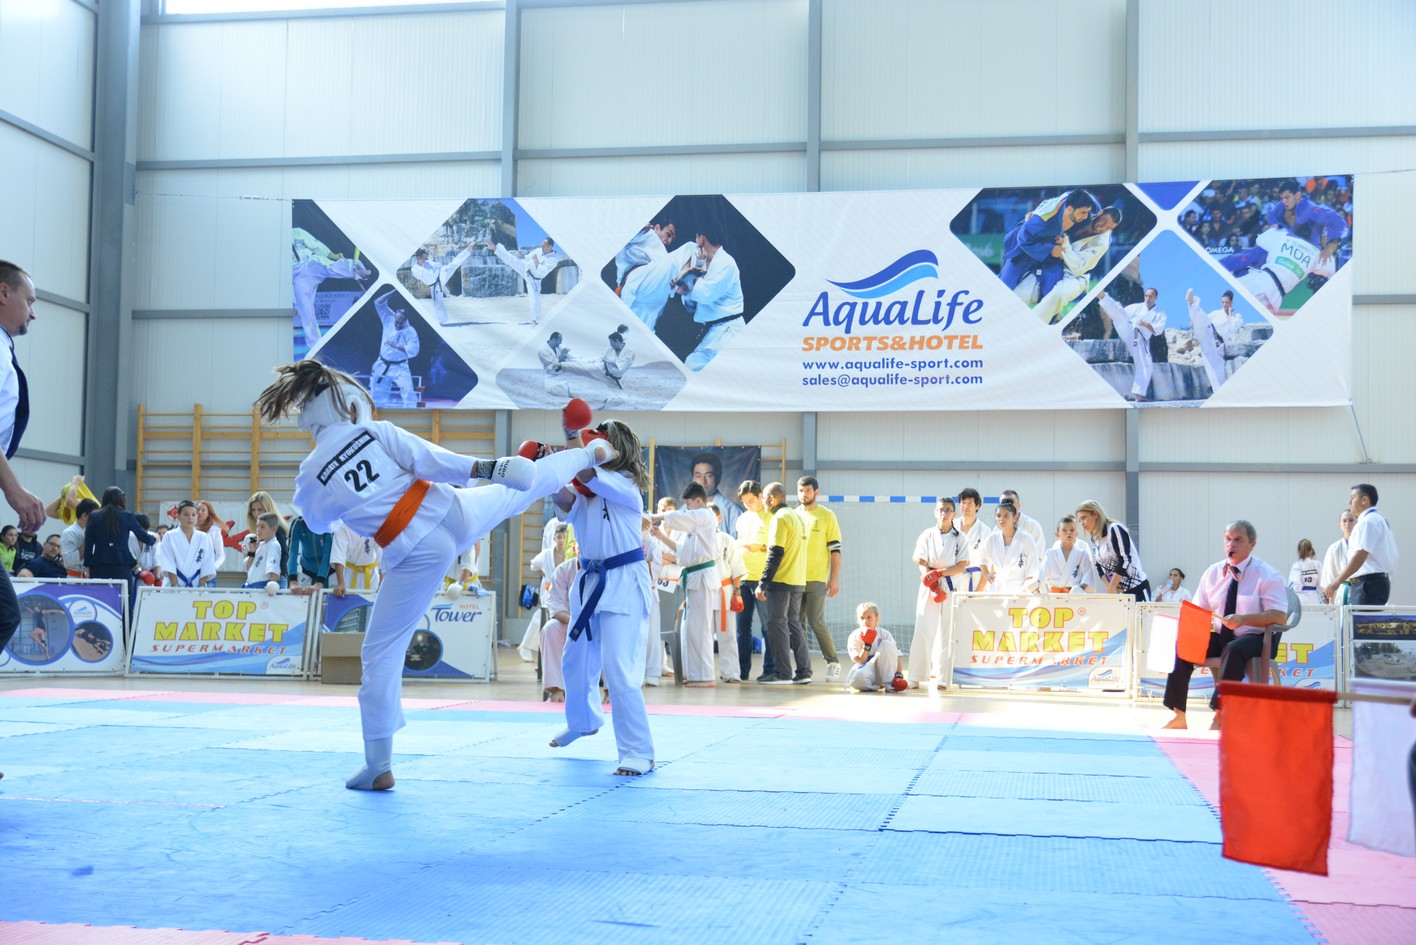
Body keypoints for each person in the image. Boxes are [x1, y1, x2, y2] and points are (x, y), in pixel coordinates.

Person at [255, 359, 616, 791]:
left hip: (414, 549)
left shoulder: (312, 472)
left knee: (380, 654)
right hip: (450, 507)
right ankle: (589, 453)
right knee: (519, 490)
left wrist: (345, 506)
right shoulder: (376, 431)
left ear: (307, 416)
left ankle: (378, 765)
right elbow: (430, 460)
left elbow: (316, 523)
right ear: (346, 402)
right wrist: (483, 467)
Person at [545, 418, 656, 778]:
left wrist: (571, 442)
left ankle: (638, 752)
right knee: (574, 659)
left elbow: (588, 474)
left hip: (623, 579)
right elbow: (565, 499)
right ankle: (584, 721)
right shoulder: (585, 492)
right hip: (589, 580)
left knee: (619, 668)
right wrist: (548, 467)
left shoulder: (624, 484)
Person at [1161, 520, 1288, 730]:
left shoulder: (1267, 574)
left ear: (1252, 544)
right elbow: (1199, 611)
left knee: (1233, 649)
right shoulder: (1212, 573)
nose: (1231, 544)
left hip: (1257, 638)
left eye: (1238, 540)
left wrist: (1243, 619)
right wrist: (1189, 629)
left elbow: (1280, 616)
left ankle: (1220, 715)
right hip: (1223, 635)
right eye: (1228, 539)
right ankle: (1179, 715)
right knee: (1183, 646)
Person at [649, 482, 720, 687]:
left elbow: (681, 517)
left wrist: (656, 517)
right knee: (692, 629)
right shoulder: (697, 525)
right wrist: (661, 536)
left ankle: (705, 676)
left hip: (702, 577)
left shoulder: (704, 515)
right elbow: (683, 551)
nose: (687, 509)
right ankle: (696, 674)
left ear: (698, 500)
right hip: (695, 577)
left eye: (688, 504)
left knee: (701, 629)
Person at [1021, 206, 1122, 324]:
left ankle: (1031, 325)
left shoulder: (1102, 242)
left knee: (1059, 294)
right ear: (1100, 213)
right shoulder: (1083, 215)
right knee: (1020, 293)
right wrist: (1037, 216)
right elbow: (1055, 213)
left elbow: (1079, 268)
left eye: (1109, 228)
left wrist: (1065, 245)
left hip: (1075, 276)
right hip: (1052, 265)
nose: (1103, 228)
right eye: (1104, 221)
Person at [908, 496, 970, 690]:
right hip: (929, 585)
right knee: (923, 630)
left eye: (948, 510)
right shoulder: (927, 534)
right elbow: (919, 558)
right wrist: (930, 578)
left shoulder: (960, 537)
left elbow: (961, 566)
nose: (944, 513)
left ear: (954, 514)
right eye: (941, 509)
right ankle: (915, 676)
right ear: (936, 512)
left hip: (951, 586)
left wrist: (939, 574)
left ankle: (944, 678)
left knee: (947, 632)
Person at [754, 481, 810, 684]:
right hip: (798, 580)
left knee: (776, 624)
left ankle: (782, 673)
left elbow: (775, 553)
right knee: (794, 624)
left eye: (763, 499)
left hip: (781, 580)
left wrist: (763, 582)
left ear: (772, 499)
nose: (763, 503)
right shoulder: (797, 516)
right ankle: (804, 672)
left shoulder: (779, 518)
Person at [673, 225, 745, 371]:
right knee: (692, 365)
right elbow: (693, 306)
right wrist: (684, 291)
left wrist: (693, 273)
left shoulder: (726, 263)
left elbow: (704, 296)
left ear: (701, 238)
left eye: (696, 238)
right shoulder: (707, 264)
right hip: (714, 330)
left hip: (728, 332)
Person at [998, 188, 1101, 290]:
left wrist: (1100, 212)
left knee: (1053, 288)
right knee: (1004, 286)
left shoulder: (1074, 199)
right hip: (1025, 247)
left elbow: (1088, 198)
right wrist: (1051, 249)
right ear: (1070, 209)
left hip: (1050, 245)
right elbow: (1023, 239)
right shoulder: (1041, 220)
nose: (1086, 216)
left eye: (1088, 212)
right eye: (1083, 212)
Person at [796, 476, 843, 678]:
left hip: (816, 579)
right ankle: (803, 667)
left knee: (816, 621)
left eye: (807, 490)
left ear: (816, 492)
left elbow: (835, 551)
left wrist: (834, 579)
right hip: (794, 579)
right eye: (800, 490)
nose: (804, 494)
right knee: (797, 623)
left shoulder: (827, 515)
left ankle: (833, 662)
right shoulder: (793, 515)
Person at [1324, 483, 1399, 606]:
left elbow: (1360, 555)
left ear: (1364, 500)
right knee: (1368, 618)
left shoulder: (1368, 521)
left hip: (1367, 585)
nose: (1349, 502)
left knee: (1363, 618)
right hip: (1374, 583)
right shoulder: (1378, 519)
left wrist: (1337, 581)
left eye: (1353, 497)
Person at [83, 486, 155, 605]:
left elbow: (89, 542)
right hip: (122, 565)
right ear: (122, 499)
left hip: (99, 565)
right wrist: (155, 539)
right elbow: (144, 537)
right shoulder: (127, 515)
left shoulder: (94, 516)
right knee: (124, 603)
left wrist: (87, 564)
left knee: (100, 602)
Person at [1097, 287, 1166, 403]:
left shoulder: (1159, 313)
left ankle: (1139, 395)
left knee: (1146, 364)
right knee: (1119, 313)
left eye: (1151, 296)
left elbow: (1158, 329)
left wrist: (1145, 324)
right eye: (1146, 296)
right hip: (1127, 329)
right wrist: (1119, 308)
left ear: (1156, 297)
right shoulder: (1136, 307)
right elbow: (1123, 313)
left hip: (1140, 338)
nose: (1148, 298)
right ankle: (1102, 296)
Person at [293, 246, 371, 345]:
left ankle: (355, 269)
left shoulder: (294, 236)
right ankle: (315, 344)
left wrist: (333, 255)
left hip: (308, 261)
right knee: (306, 309)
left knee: (330, 267)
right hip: (296, 275)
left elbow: (314, 244)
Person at [1076, 499, 1150, 600]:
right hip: (1118, 593)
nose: (1081, 523)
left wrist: (1112, 586)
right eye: (1079, 521)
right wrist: (1110, 586)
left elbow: (1124, 559)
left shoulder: (1114, 528)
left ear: (1096, 514)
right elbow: (1099, 566)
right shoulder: (1095, 539)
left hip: (1137, 589)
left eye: (1083, 518)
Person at [734, 480, 771, 681]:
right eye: (745, 502)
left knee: (768, 627)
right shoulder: (742, 519)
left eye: (751, 501)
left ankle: (770, 670)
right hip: (743, 578)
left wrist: (761, 547)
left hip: (764, 580)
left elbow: (778, 547)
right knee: (742, 628)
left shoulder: (772, 517)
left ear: (760, 496)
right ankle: (742, 670)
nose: (748, 505)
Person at [709, 503, 746, 683]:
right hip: (703, 592)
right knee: (702, 635)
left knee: (728, 634)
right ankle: (703, 672)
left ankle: (730, 673)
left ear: (719, 518)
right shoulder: (695, 537)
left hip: (725, 591)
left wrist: (737, 593)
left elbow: (737, 569)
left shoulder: (727, 539)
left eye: (711, 516)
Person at [490, 237, 561, 326]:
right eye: (542, 245)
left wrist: (536, 260)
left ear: (550, 246)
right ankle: (495, 248)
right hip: (526, 267)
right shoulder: (539, 250)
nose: (542, 247)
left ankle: (534, 321)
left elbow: (542, 271)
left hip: (534, 279)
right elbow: (528, 257)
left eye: (544, 246)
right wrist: (522, 256)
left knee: (534, 300)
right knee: (512, 260)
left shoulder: (553, 259)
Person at [976, 500, 1041, 594]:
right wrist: (986, 574)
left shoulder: (1026, 539)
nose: (1001, 519)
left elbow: (1033, 568)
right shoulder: (992, 538)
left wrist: (1028, 586)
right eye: (998, 516)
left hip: (1020, 589)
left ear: (1014, 518)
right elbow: (982, 558)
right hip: (997, 589)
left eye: (1006, 515)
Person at [1185, 289, 1243, 392]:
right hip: (1207, 333)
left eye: (1226, 302)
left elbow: (1234, 327)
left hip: (1217, 342)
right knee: (1202, 317)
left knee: (1216, 370)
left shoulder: (1236, 316)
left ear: (1231, 302)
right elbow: (1205, 319)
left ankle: (1219, 391)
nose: (1224, 304)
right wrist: (1195, 323)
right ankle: (1192, 302)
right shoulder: (1216, 313)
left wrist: (1230, 315)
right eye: (1223, 302)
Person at [371, 288, 420, 407]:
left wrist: (396, 346)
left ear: (406, 320)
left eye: (400, 322)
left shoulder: (410, 331)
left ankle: (412, 416)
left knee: (409, 396)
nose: (397, 324)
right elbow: (378, 302)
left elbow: (414, 350)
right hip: (382, 363)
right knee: (377, 396)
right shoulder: (389, 318)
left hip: (400, 367)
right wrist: (393, 292)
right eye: (396, 322)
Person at [541, 553, 579, 703]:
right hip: (571, 623)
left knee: (611, 633)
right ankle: (556, 690)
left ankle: (610, 693)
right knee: (551, 629)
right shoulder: (564, 569)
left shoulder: (607, 567)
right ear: (576, 549)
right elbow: (555, 603)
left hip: (598, 624)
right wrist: (574, 622)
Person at [845, 602, 905, 693]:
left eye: (869, 617)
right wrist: (867, 645)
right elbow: (860, 661)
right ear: (858, 620)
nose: (865, 621)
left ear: (876, 619)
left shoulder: (885, 634)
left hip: (885, 669)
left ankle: (889, 684)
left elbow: (898, 655)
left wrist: (899, 675)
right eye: (862, 618)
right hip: (868, 670)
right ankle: (877, 685)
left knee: (886, 644)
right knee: (857, 681)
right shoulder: (854, 636)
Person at [157, 500, 218, 587]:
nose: (190, 518)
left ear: (197, 517)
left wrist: (201, 585)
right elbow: (168, 562)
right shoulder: (169, 536)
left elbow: (208, 564)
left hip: (197, 585)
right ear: (178, 516)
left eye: (193, 515)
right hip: (173, 585)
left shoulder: (204, 538)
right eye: (186, 514)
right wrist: (175, 585)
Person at [410, 245, 472, 327]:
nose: (424, 259)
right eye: (422, 257)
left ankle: (467, 251)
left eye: (425, 257)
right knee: (437, 302)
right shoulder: (415, 269)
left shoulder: (428, 263)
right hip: (435, 285)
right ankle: (441, 320)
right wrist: (425, 267)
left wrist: (434, 269)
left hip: (441, 275)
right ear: (418, 257)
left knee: (453, 265)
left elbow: (438, 265)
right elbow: (428, 275)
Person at [1040, 515, 1097, 594]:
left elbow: (1088, 575)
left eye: (1072, 530)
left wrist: (1081, 588)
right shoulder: (1050, 553)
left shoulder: (1083, 554)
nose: (1068, 533)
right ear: (1057, 534)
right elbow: (1041, 572)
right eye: (1064, 530)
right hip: (1055, 596)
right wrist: (1036, 583)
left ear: (1076, 534)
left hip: (1075, 594)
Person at [243, 492, 290, 581]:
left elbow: (283, 555)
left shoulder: (277, 530)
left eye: (260, 509)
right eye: (253, 510)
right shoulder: (257, 533)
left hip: (274, 579)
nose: (256, 513)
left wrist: (276, 579)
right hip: (259, 579)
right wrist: (250, 552)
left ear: (268, 509)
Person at [690, 452, 743, 529]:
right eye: (698, 476)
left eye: (709, 475)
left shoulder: (732, 510)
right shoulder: (684, 510)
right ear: (693, 479)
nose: (703, 481)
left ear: (718, 478)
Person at [330, 523, 382, 597]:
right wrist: (341, 583)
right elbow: (338, 556)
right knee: (349, 601)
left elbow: (383, 557)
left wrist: (381, 584)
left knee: (372, 601)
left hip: (371, 576)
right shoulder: (343, 527)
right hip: (349, 575)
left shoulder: (373, 524)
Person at [956, 487, 990, 591]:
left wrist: (980, 590)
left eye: (970, 503)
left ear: (977, 506)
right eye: (963, 502)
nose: (966, 506)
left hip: (975, 580)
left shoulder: (985, 530)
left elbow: (988, 563)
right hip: (953, 580)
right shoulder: (952, 526)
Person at [286, 514, 332, 592]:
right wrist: (293, 580)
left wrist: (320, 581)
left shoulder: (329, 523)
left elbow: (327, 554)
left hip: (330, 572)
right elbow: (292, 552)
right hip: (307, 571)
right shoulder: (298, 523)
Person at [1320, 509, 1358, 604]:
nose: (1347, 523)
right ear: (1340, 524)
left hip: (1361, 590)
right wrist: (1331, 605)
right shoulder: (1334, 548)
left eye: (1351, 520)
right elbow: (1330, 578)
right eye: (1344, 521)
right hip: (1341, 593)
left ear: (1357, 522)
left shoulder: (1363, 546)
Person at [244, 513, 286, 590]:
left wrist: (272, 587)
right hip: (251, 587)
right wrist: (252, 552)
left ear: (274, 529)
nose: (258, 530)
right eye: (257, 526)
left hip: (261, 590)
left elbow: (273, 571)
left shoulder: (273, 545)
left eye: (262, 527)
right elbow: (248, 569)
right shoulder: (260, 545)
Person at [62, 498, 99, 578]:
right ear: (84, 516)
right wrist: (89, 540)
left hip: (90, 577)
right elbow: (70, 560)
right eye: (94, 516)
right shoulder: (69, 532)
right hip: (74, 578)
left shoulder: (93, 531)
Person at [194, 500, 229, 582]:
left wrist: (213, 567)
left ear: (208, 514)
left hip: (207, 575)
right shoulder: (189, 529)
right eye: (198, 510)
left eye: (203, 510)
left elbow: (221, 554)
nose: (200, 512)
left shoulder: (214, 531)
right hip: (189, 574)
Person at [1288, 539, 1322, 604]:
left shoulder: (1296, 565)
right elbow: (1322, 585)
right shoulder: (1318, 564)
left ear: (1298, 551)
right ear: (1311, 550)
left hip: (1300, 600)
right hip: (1314, 599)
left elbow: (1295, 586)